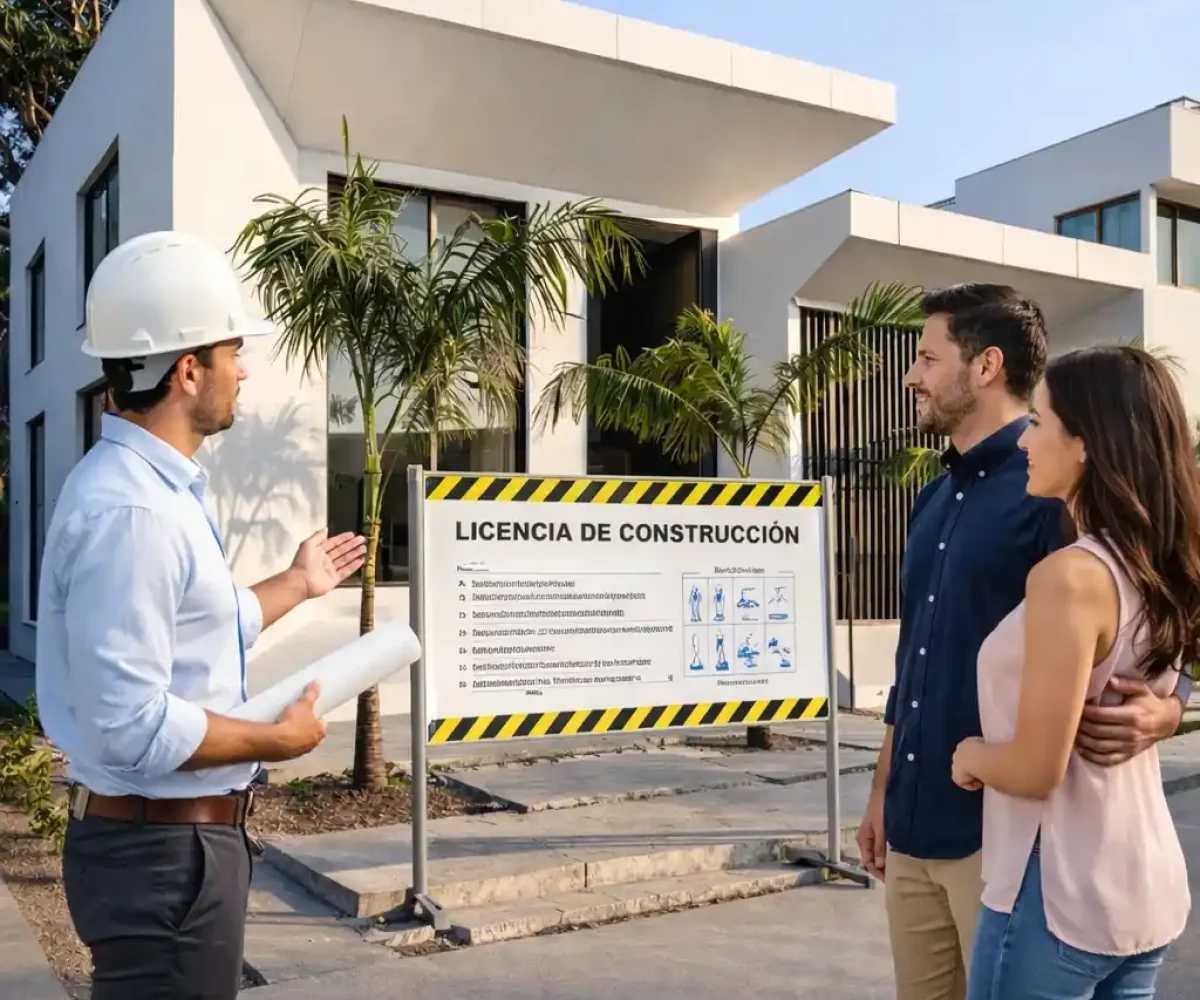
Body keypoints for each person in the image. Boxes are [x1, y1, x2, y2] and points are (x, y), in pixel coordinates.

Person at [35, 230, 367, 1000]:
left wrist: (295, 583)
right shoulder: (134, 512)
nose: (243, 370)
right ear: (188, 370)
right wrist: (274, 739)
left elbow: (193, 633)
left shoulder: (152, 491)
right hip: (161, 859)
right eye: (233, 351)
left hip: (169, 846)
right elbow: (130, 721)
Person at [857, 284, 1191, 1000]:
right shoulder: (931, 498)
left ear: (985, 367)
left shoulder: (1055, 491)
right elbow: (913, 658)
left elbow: (1150, 607)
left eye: (925, 356)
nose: (910, 375)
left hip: (1009, 843)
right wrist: (883, 789)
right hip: (916, 821)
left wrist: (1174, 704)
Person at [953, 345, 1194, 998]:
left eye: (1039, 421)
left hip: (1054, 898)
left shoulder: (1071, 577)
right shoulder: (1161, 565)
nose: (1025, 439)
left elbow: (1035, 769)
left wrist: (969, 754)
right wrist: (1176, 709)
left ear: (1086, 443)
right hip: (1144, 892)